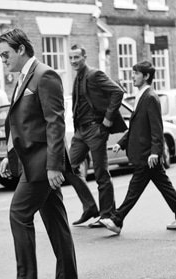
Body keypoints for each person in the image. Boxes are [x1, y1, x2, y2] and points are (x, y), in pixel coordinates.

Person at [0, 29, 79, 279]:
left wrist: (55, 166)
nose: (2, 59)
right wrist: (10, 156)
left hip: (43, 164)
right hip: (30, 162)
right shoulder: (21, 79)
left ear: (21, 49)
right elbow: (20, 124)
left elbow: (56, 123)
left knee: (19, 214)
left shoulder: (45, 75)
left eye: (6, 53)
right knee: (55, 220)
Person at [99, 61, 176, 235]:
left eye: (136, 73)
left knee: (134, 189)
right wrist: (121, 143)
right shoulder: (141, 95)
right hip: (145, 153)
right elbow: (137, 126)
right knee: (164, 187)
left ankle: (117, 219)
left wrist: (155, 152)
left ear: (146, 76)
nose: (133, 76)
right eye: (133, 72)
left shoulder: (150, 97)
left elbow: (156, 127)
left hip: (147, 155)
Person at [65, 44, 127, 228]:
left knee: (101, 173)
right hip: (80, 132)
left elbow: (117, 91)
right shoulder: (77, 78)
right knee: (68, 167)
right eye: (71, 58)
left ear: (84, 56)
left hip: (95, 129)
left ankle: (107, 214)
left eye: (77, 57)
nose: (73, 61)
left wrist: (107, 120)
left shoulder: (94, 74)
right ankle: (90, 207)